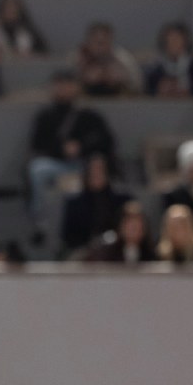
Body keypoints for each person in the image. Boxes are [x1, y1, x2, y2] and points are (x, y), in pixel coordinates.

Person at [26, 69, 116, 245]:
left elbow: (106, 140)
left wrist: (81, 147)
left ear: (76, 87)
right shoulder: (45, 116)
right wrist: (61, 150)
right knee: (38, 169)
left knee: (97, 166)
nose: (64, 89)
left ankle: (102, 220)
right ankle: (40, 220)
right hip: (55, 164)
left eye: (68, 85)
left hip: (84, 164)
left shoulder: (89, 115)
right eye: (60, 85)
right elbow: (37, 145)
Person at [60, 152, 132, 257]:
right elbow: (68, 236)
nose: (96, 174)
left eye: (100, 170)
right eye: (92, 170)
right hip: (84, 252)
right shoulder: (75, 203)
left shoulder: (122, 200)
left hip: (116, 252)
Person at [67, 21, 143, 97]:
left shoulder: (123, 59)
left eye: (103, 42)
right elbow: (68, 85)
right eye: (96, 42)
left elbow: (137, 86)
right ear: (88, 41)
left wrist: (119, 79)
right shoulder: (77, 58)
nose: (100, 47)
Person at [144, 21, 193, 98]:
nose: (173, 44)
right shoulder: (154, 73)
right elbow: (148, 95)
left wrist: (188, 91)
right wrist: (160, 90)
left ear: (185, 42)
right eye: (170, 40)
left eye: (176, 40)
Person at [84, 200, 154, 264]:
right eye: (131, 227)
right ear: (121, 227)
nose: (134, 232)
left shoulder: (149, 253)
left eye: (138, 227)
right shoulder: (106, 252)